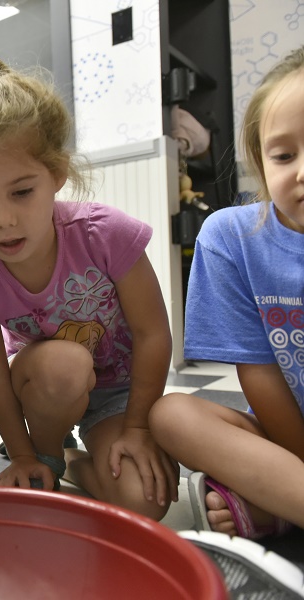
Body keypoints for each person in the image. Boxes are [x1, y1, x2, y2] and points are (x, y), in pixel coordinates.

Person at [0, 57, 178, 521]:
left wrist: (139, 426)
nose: (3, 219)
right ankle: (49, 455)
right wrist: (25, 454)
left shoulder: (106, 234)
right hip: (46, 384)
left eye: (22, 192)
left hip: (122, 391)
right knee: (66, 362)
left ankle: (75, 465)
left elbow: (153, 333)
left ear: (57, 175)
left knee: (146, 502)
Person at [150, 46, 304, 538]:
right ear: (261, 162)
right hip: (285, 435)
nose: (302, 172)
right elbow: (259, 376)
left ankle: (280, 507)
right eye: (284, 155)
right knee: (172, 415)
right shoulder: (231, 237)